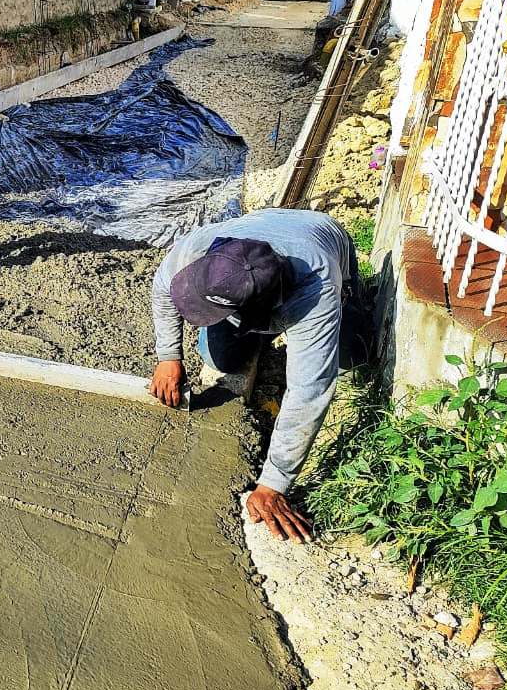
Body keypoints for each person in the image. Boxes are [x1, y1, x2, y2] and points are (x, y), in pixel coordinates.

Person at [148, 209, 367, 543]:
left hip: (322, 235)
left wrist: (274, 483)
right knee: (221, 358)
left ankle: (342, 308)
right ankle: (254, 324)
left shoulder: (316, 287)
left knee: (352, 356)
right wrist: (168, 357)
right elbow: (163, 286)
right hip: (265, 232)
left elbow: (310, 389)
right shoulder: (200, 248)